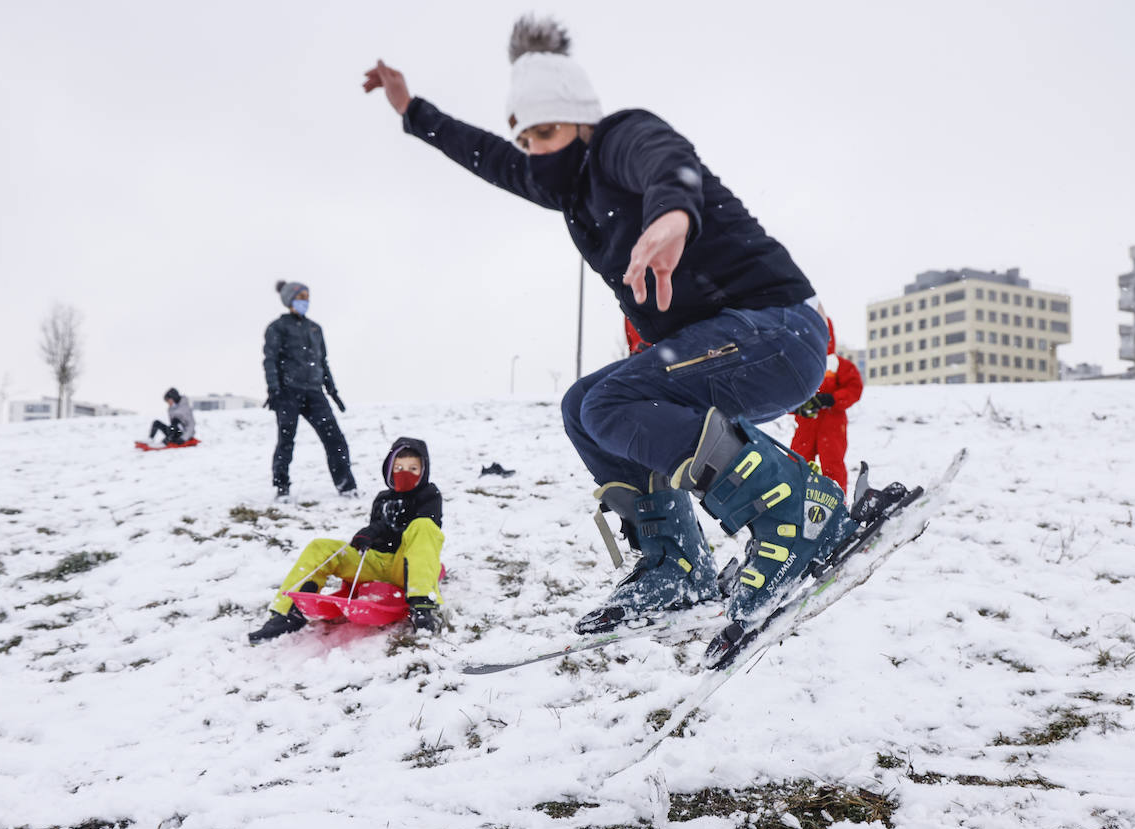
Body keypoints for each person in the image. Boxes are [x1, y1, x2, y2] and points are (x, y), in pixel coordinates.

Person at [363, 17, 904, 665]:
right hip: (733, 346)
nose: (536, 149)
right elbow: (494, 160)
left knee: (609, 404)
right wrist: (412, 110)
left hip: (779, 329)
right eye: (528, 136)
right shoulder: (564, 186)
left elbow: (666, 162)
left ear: (581, 123)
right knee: (584, 408)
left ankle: (798, 518)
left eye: (548, 133)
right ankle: (675, 564)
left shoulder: (620, 137)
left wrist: (673, 213)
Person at [248, 437, 444, 643]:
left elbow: (423, 530)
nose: (405, 473)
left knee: (423, 526)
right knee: (320, 547)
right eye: (399, 468)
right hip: (374, 564)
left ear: (423, 471)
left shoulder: (429, 494)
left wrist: (376, 528)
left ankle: (422, 605)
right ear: (389, 470)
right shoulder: (383, 498)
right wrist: (366, 536)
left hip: (405, 566)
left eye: (413, 469)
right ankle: (286, 613)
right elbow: (381, 533)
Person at [263, 280, 357, 500]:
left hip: (314, 393)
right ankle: (282, 487)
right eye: (301, 297)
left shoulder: (315, 329)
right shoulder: (277, 328)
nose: (306, 301)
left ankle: (346, 486)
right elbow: (270, 360)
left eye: (307, 297)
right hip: (288, 393)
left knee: (335, 439)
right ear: (289, 300)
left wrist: (332, 392)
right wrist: (274, 389)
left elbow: (322, 362)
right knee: (286, 441)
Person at [790, 316, 864, 494]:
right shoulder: (801, 366)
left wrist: (831, 399)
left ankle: (836, 500)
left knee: (832, 463)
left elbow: (854, 388)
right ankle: (793, 497)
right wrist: (797, 407)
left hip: (832, 422)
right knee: (796, 462)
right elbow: (788, 392)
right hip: (807, 422)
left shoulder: (839, 366)